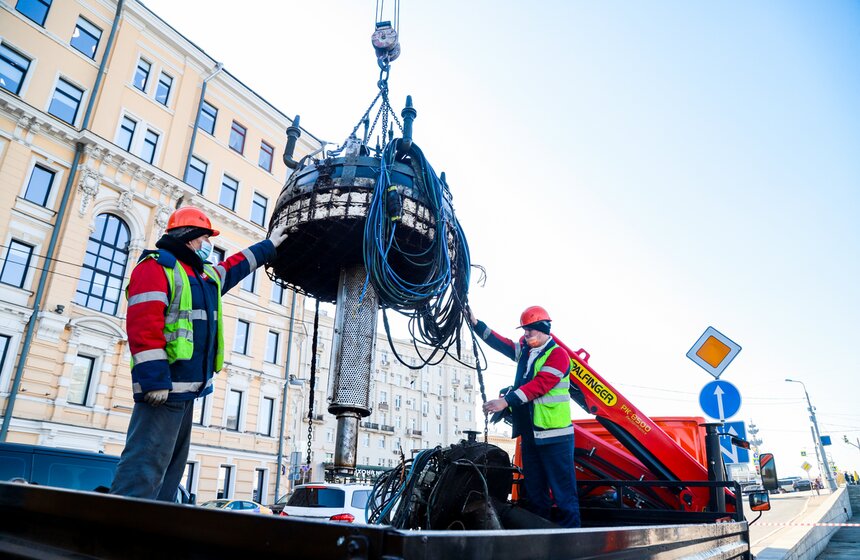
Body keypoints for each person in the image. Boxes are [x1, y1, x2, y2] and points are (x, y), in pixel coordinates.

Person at [110, 207, 288, 501]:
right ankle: (115, 537)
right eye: (206, 238)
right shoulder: (156, 268)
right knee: (142, 472)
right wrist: (154, 381)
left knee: (168, 475)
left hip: (186, 393)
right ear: (191, 237)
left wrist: (268, 246)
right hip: (163, 392)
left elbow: (234, 267)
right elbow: (143, 325)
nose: (208, 246)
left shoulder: (203, 276)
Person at [471, 305, 581, 528]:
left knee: (563, 495)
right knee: (535, 494)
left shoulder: (558, 355)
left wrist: (505, 401)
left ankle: (572, 541)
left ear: (542, 329)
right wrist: (476, 324)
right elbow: (501, 343)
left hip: (555, 438)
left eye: (529, 330)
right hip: (532, 437)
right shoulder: (526, 351)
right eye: (524, 331)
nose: (525, 334)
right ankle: (540, 539)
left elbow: (538, 386)